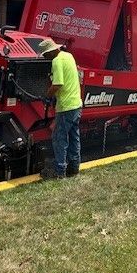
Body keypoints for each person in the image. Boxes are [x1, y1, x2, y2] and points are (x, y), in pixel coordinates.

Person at [39, 38, 82, 179]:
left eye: (45, 55)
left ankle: (59, 171)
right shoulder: (68, 56)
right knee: (74, 137)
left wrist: (47, 95)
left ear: (51, 52)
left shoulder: (56, 61)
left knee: (59, 138)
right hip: (76, 104)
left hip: (65, 106)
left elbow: (58, 84)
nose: (45, 58)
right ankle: (74, 167)